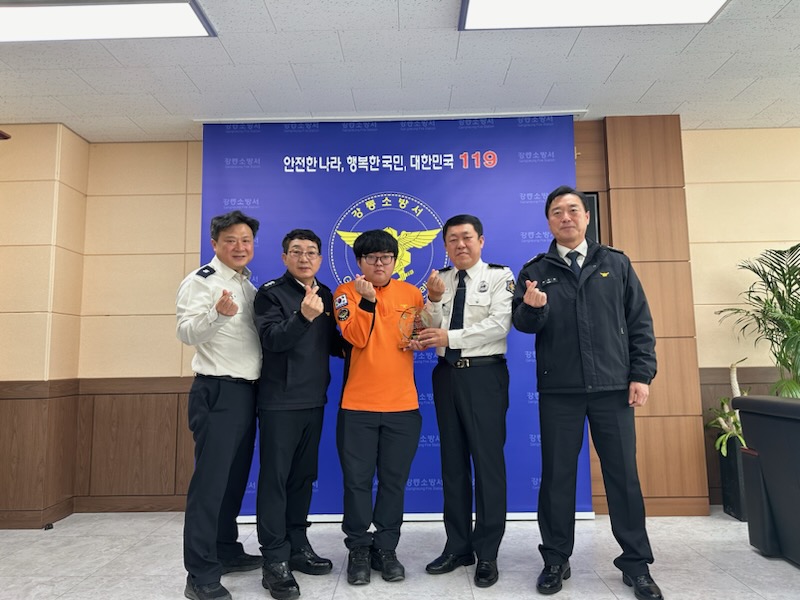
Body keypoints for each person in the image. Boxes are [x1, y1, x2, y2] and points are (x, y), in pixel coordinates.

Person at [512, 185, 663, 600]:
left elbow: (639, 322)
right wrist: (534, 307)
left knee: (623, 477)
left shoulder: (615, 262)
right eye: (557, 212)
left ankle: (636, 564)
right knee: (557, 478)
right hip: (559, 390)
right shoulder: (535, 269)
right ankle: (555, 559)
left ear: (586, 217)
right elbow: (522, 324)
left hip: (613, 387)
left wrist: (641, 374)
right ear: (548, 221)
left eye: (573, 210)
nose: (566, 217)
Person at [415, 214, 514, 588]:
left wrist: (449, 337)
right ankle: (458, 546)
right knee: (453, 464)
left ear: (481, 241)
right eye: (453, 239)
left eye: (467, 237)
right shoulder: (440, 279)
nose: (460, 244)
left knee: (488, 465)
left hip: (484, 375)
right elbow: (427, 326)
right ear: (445, 245)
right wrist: (433, 300)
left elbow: (499, 325)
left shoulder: (500, 276)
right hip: (446, 376)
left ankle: (487, 553)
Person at [176, 210, 263, 600]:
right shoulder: (202, 281)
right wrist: (217, 315)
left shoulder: (247, 285)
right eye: (230, 240)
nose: (239, 247)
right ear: (215, 244)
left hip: (247, 392)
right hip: (217, 390)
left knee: (233, 480)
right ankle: (200, 573)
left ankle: (226, 549)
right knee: (210, 485)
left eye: (246, 240)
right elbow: (185, 332)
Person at [253, 229, 344, 600]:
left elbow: (335, 343)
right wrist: (303, 317)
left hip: (314, 399)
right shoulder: (270, 293)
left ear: (319, 259)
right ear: (284, 257)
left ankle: (297, 546)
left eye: (311, 252)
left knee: (303, 477)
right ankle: (274, 559)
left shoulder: (325, 294)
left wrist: (370, 339)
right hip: (279, 401)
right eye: (296, 251)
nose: (304, 258)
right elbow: (272, 340)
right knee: (275, 480)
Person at [334, 229, 424, 586]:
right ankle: (358, 547)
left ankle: (386, 548)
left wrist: (421, 336)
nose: (379, 263)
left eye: (386, 257)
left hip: (403, 405)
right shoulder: (345, 293)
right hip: (358, 406)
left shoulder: (411, 293)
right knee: (357, 482)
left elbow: (418, 333)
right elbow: (355, 337)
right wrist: (368, 301)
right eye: (371, 258)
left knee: (393, 482)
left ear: (395, 260)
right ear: (360, 262)